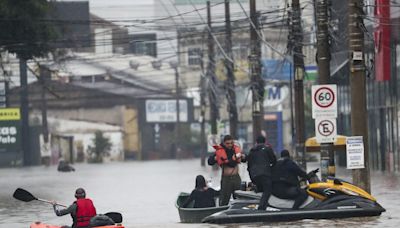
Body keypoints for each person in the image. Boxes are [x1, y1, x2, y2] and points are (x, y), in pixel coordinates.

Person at [210, 135, 245, 206]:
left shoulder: (236, 150)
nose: (230, 145)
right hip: (226, 179)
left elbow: (244, 159)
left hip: (236, 178)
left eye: (231, 143)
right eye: (227, 143)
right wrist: (215, 158)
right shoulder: (220, 151)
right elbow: (210, 161)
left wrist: (243, 157)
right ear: (224, 143)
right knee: (223, 201)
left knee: (240, 199)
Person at [246, 135, 277, 210]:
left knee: (261, 188)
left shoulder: (251, 151)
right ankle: (262, 207)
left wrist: (252, 177)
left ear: (256, 142)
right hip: (264, 174)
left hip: (254, 175)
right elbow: (274, 160)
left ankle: (257, 195)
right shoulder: (267, 149)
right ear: (265, 141)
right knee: (268, 190)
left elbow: (249, 165)